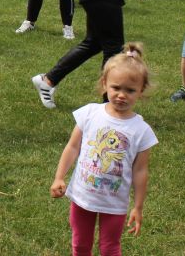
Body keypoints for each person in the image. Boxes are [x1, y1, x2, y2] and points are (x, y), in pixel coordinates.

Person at [50, 43, 157, 256]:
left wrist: (138, 207)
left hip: (114, 203)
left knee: (110, 248)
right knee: (80, 245)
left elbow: (140, 171)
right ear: (104, 84)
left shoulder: (141, 131)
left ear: (141, 91)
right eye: (116, 88)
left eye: (130, 90)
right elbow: (72, 147)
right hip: (82, 197)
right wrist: (59, 177)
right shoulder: (90, 113)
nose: (121, 95)